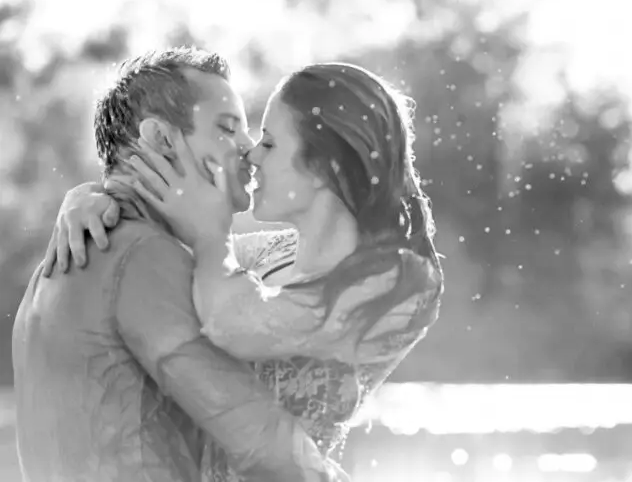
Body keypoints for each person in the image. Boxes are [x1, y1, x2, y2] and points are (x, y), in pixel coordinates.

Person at [40, 61, 444, 479]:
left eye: (269, 143)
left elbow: (233, 324)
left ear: (327, 168)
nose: (251, 153)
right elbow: (176, 261)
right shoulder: (271, 255)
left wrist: (211, 236)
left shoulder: (400, 281)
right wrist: (95, 197)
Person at [13, 48, 333, 482]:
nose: (249, 148)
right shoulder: (143, 256)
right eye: (227, 128)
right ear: (162, 139)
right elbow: (251, 431)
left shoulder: (61, 264)